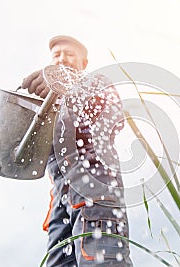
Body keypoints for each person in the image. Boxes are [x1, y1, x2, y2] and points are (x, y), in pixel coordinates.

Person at [20, 35, 133, 267]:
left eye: (69, 55)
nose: (62, 59)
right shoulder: (49, 103)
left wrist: (66, 81)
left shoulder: (96, 84)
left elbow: (115, 118)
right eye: (56, 56)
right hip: (60, 206)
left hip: (96, 194)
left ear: (83, 63)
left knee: (102, 261)